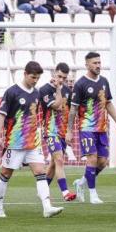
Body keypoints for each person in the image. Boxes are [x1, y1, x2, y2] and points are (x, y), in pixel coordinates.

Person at [0, 61, 64, 218]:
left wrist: (58, 89)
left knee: (40, 172)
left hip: (33, 142)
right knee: (5, 174)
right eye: (33, 77)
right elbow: (1, 115)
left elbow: (58, 106)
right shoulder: (12, 92)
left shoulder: (37, 93)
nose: (35, 80)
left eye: (38, 78)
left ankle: (47, 207)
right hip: (15, 142)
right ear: (25, 74)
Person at [67, 52, 116, 204]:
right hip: (86, 128)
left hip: (101, 128)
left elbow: (108, 103)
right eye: (94, 63)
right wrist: (69, 131)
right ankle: (93, 194)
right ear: (87, 65)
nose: (98, 65)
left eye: (99, 62)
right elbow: (73, 109)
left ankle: (81, 183)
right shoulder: (80, 84)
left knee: (103, 162)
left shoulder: (104, 81)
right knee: (92, 158)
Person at [39, 63, 77, 202]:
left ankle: (42, 191)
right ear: (54, 73)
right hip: (50, 131)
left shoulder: (68, 90)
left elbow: (71, 111)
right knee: (59, 159)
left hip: (62, 132)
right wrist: (59, 89)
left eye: (64, 78)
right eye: (59, 76)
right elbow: (57, 106)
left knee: (54, 164)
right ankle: (66, 192)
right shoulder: (44, 90)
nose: (61, 80)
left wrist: (69, 131)